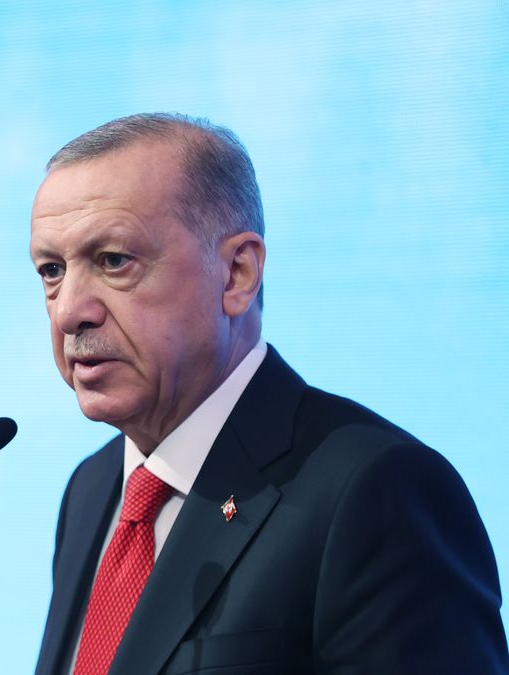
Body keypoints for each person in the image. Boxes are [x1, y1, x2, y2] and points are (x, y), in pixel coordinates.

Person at [30, 113, 508, 675]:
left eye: (114, 261)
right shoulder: (92, 490)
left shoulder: (375, 491)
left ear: (236, 274)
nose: (69, 312)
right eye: (52, 270)